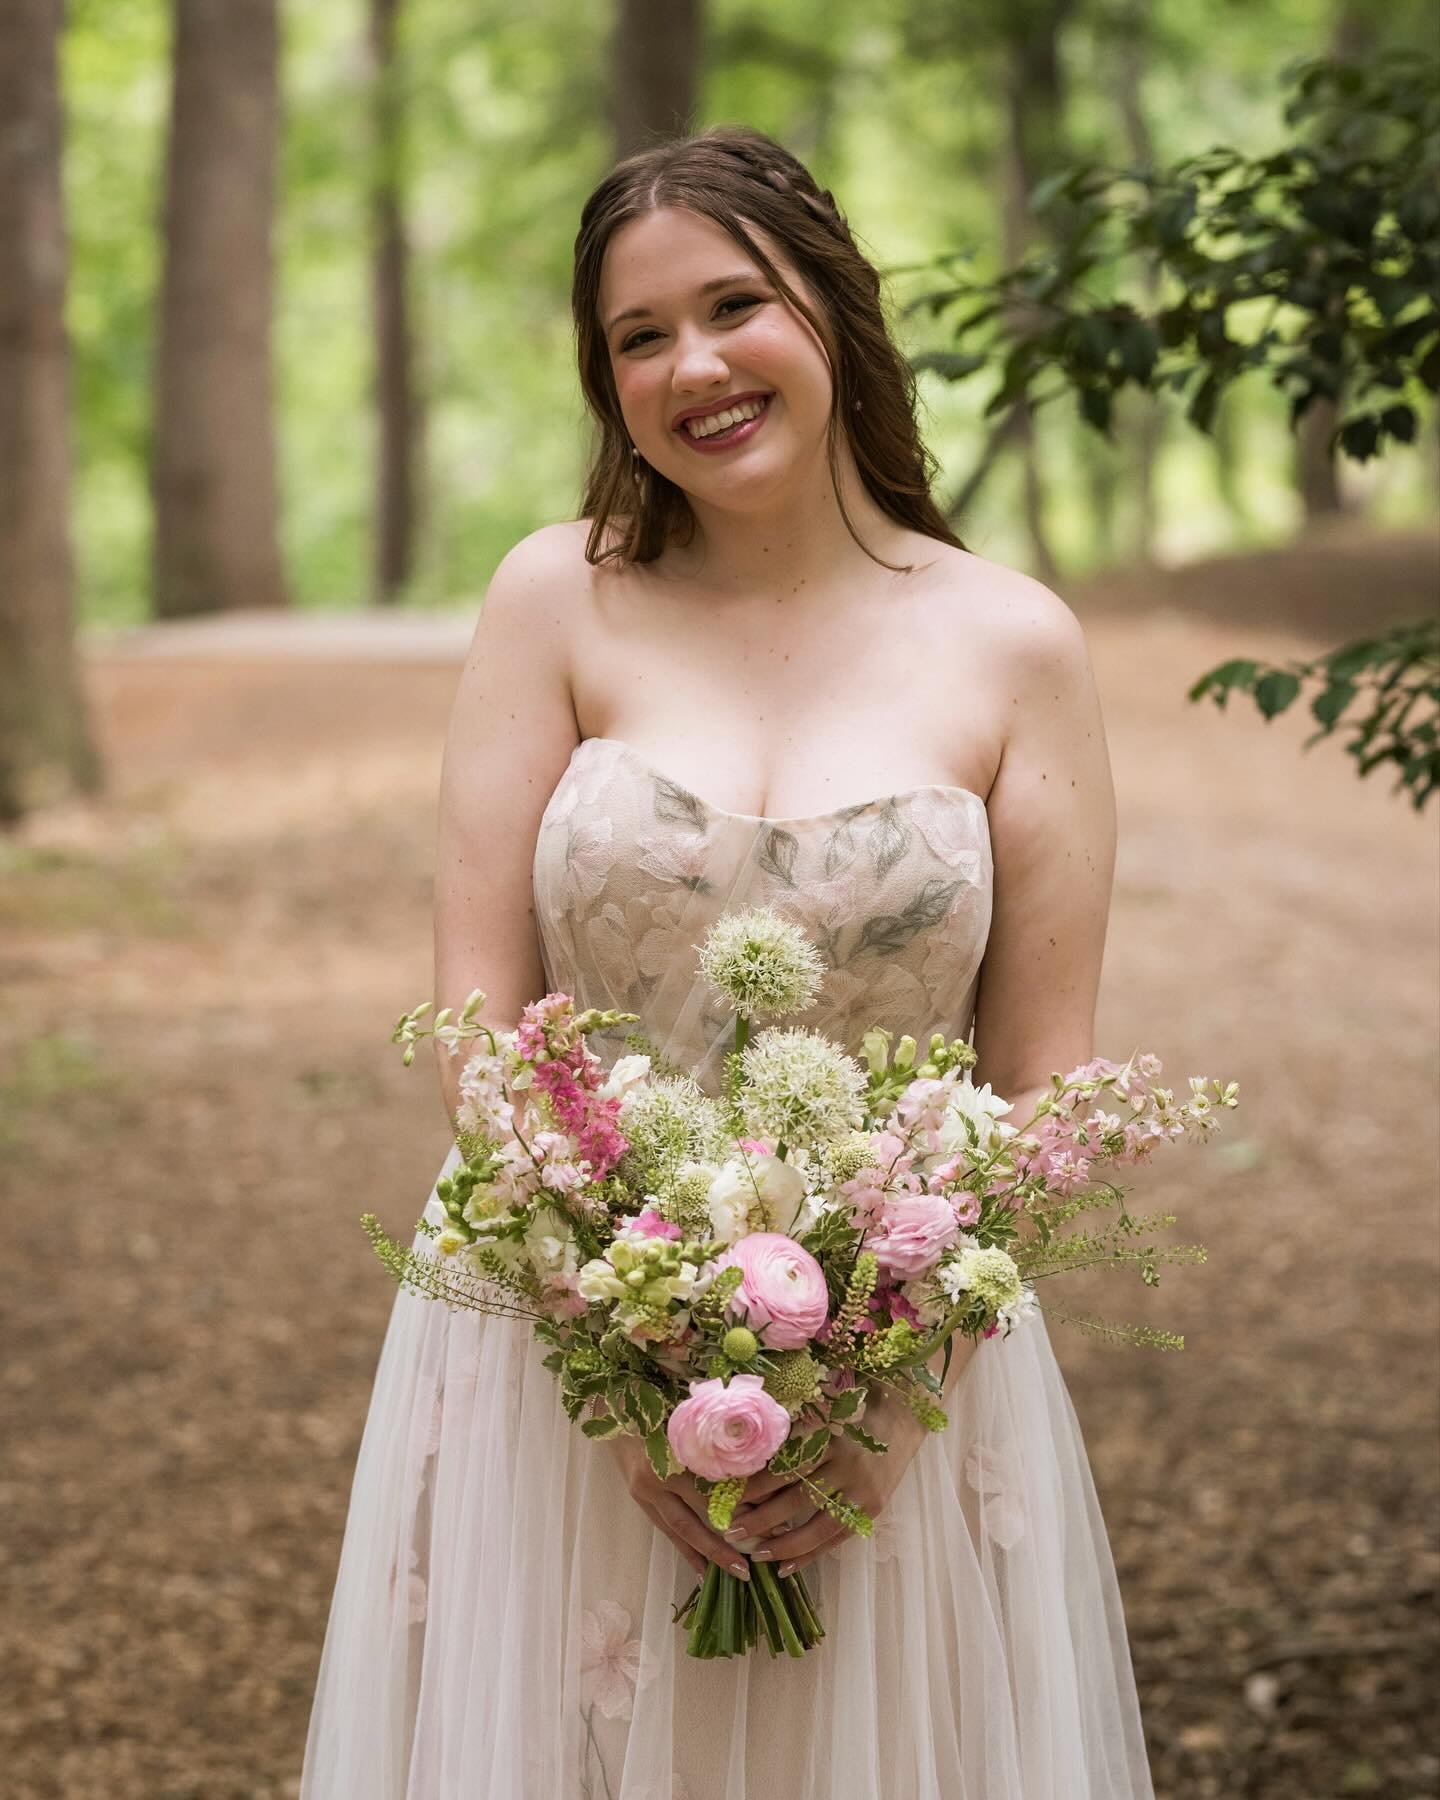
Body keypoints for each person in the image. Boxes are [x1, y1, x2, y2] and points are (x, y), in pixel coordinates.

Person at [300, 125, 1154, 1799]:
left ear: (829, 307)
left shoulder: (1012, 643)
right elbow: (479, 1022)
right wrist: (623, 1382)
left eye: (732, 305)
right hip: (559, 1351)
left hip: (910, 1373)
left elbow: (1045, 1089)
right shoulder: (558, 601)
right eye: (637, 337)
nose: (692, 365)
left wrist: (882, 1413)